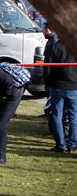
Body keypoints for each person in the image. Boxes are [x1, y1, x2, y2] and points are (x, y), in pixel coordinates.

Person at [43, 24, 77, 153]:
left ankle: (60, 145)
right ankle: (72, 144)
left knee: (57, 115)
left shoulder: (56, 46)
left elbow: (48, 68)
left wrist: (48, 83)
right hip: (74, 86)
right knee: (74, 116)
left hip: (58, 86)